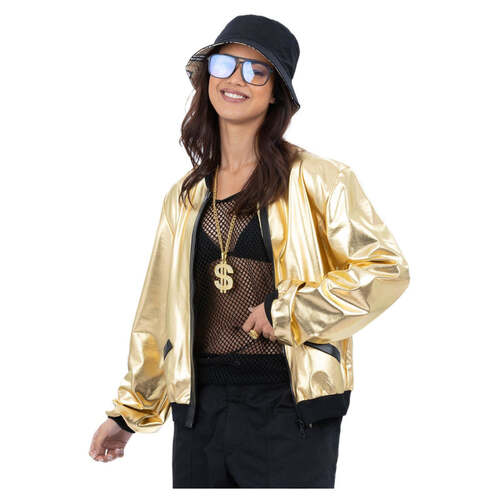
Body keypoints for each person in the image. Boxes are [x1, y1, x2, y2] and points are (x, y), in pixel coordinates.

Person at [89, 14, 410, 488]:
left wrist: (289, 311)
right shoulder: (185, 197)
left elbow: (386, 270)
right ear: (207, 77)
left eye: (256, 71)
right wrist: (129, 413)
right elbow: (157, 312)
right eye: (225, 65)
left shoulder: (321, 180)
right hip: (198, 414)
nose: (236, 79)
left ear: (276, 91)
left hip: (289, 412)